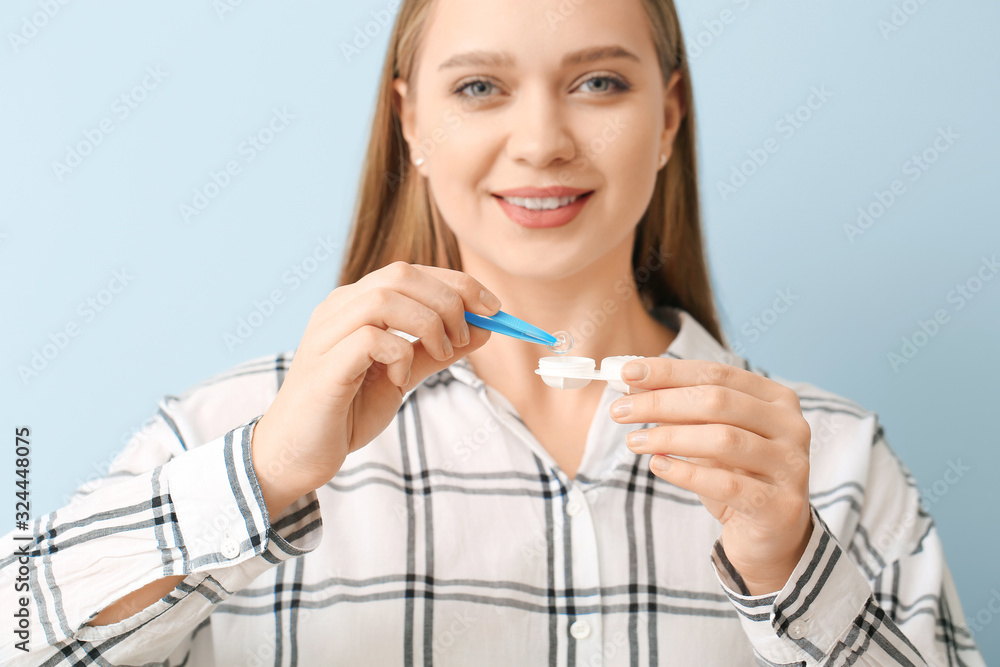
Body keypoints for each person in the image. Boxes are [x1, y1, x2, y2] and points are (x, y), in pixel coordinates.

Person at [0, 0, 987, 664]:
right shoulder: (226, 428)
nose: (542, 141)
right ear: (412, 126)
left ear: (669, 117)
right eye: (478, 87)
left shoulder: (831, 455)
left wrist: (791, 570)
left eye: (599, 82)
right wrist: (261, 473)